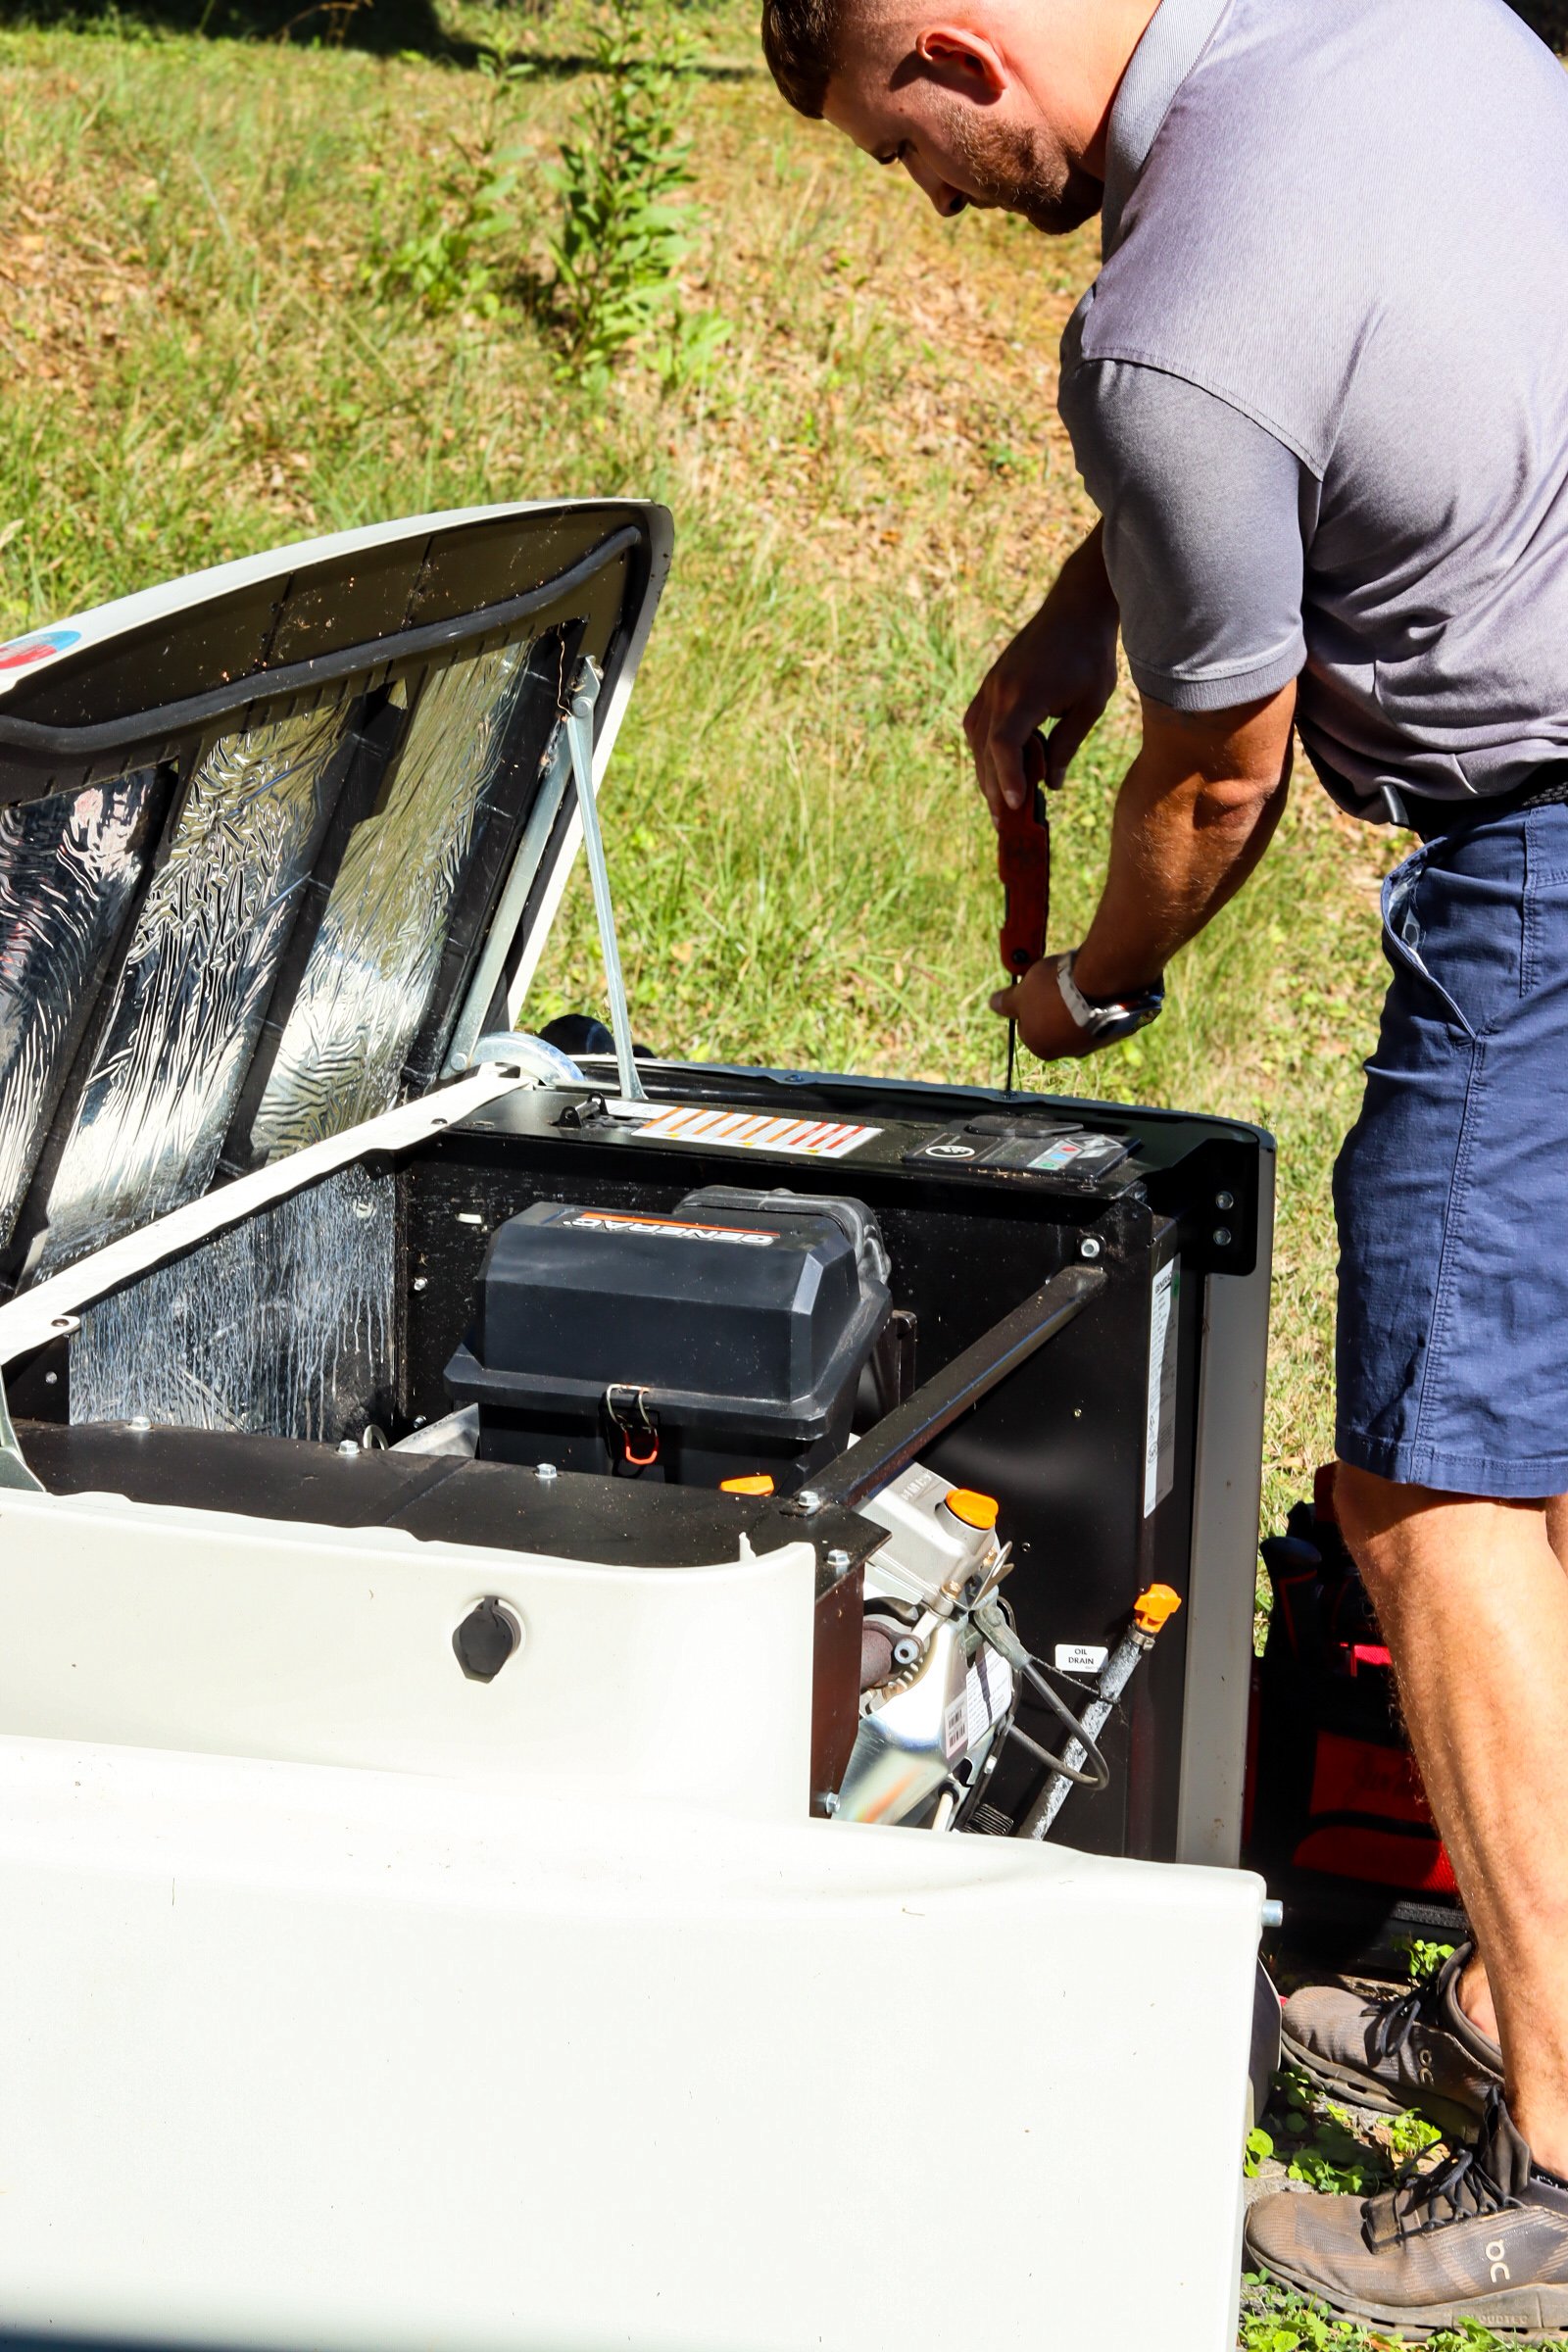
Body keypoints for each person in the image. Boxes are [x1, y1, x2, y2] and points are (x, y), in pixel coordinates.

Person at [760, 0, 1568, 2330]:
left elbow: (1219, 772)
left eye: (892, 138)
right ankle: (1512, 1997)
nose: (913, 186)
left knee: (1433, 1493)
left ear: (950, 50)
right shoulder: (1395, 28)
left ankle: (1552, 2162)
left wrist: (1093, 983)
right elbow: (1342, 365)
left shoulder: (1163, 322)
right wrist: (1079, 597)